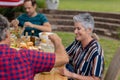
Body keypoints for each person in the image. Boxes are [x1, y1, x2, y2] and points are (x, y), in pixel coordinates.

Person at [0, 14, 68, 79]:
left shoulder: (41, 17)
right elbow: (63, 59)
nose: (27, 10)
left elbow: (48, 28)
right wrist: (57, 41)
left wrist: (32, 25)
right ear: (7, 35)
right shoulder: (26, 56)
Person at [59, 13, 104, 80]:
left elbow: (95, 79)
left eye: (78, 29)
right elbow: (64, 54)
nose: (75, 31)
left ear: (89, 30)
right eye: (75, 28)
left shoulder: (96, 52)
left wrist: (71, 75)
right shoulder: (78, 42)